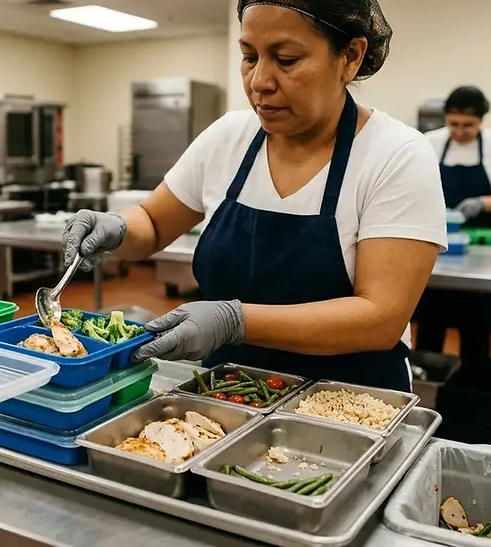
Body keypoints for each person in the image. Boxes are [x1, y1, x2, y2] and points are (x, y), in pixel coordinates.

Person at [62, 0, 447, 391]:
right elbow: (154, 221)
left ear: (350, 56)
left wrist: (236, 322)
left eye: (286, 59)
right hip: (229, 395)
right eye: (249, 57)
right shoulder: (228, 137)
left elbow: (380, 318)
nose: (259, 81)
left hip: (351, 403)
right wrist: (118, 228)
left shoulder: (396, 155)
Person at [413, 86, 491, 367]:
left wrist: (482, 203)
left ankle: (473, 383)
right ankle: (427, 380)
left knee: (477, 332)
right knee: (429, 327)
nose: (460, 131)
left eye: (468, 126)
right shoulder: (430, 143)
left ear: (481, 121)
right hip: (438, 250)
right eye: (454, 124)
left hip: (481, 251)